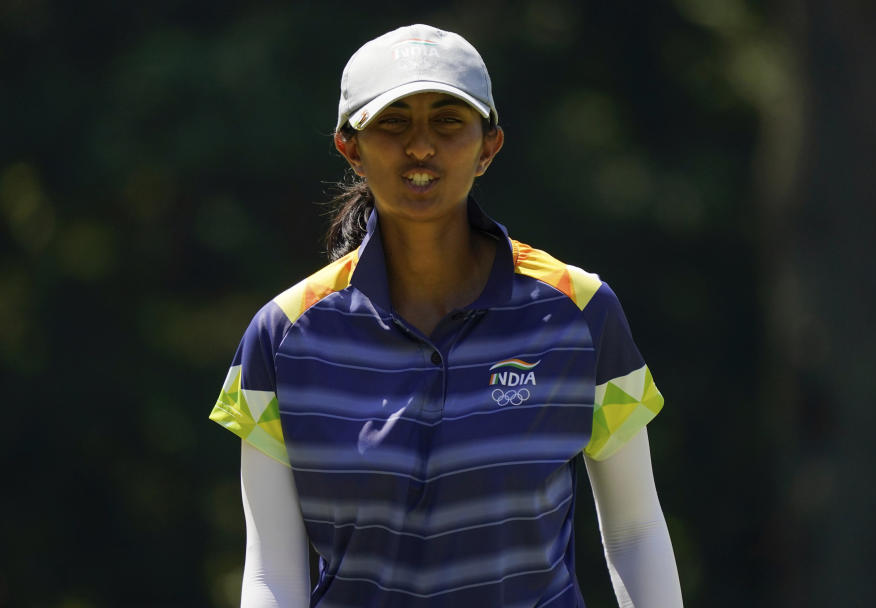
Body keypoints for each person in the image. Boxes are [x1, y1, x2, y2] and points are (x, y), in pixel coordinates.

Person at [210, 24, 683, 608]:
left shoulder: (582, 311)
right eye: (394, 122)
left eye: (447, 121)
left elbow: (636, 532)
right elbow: (271, 575)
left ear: (489, 146)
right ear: (350, 149)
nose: (421, 146)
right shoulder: (283, 336)